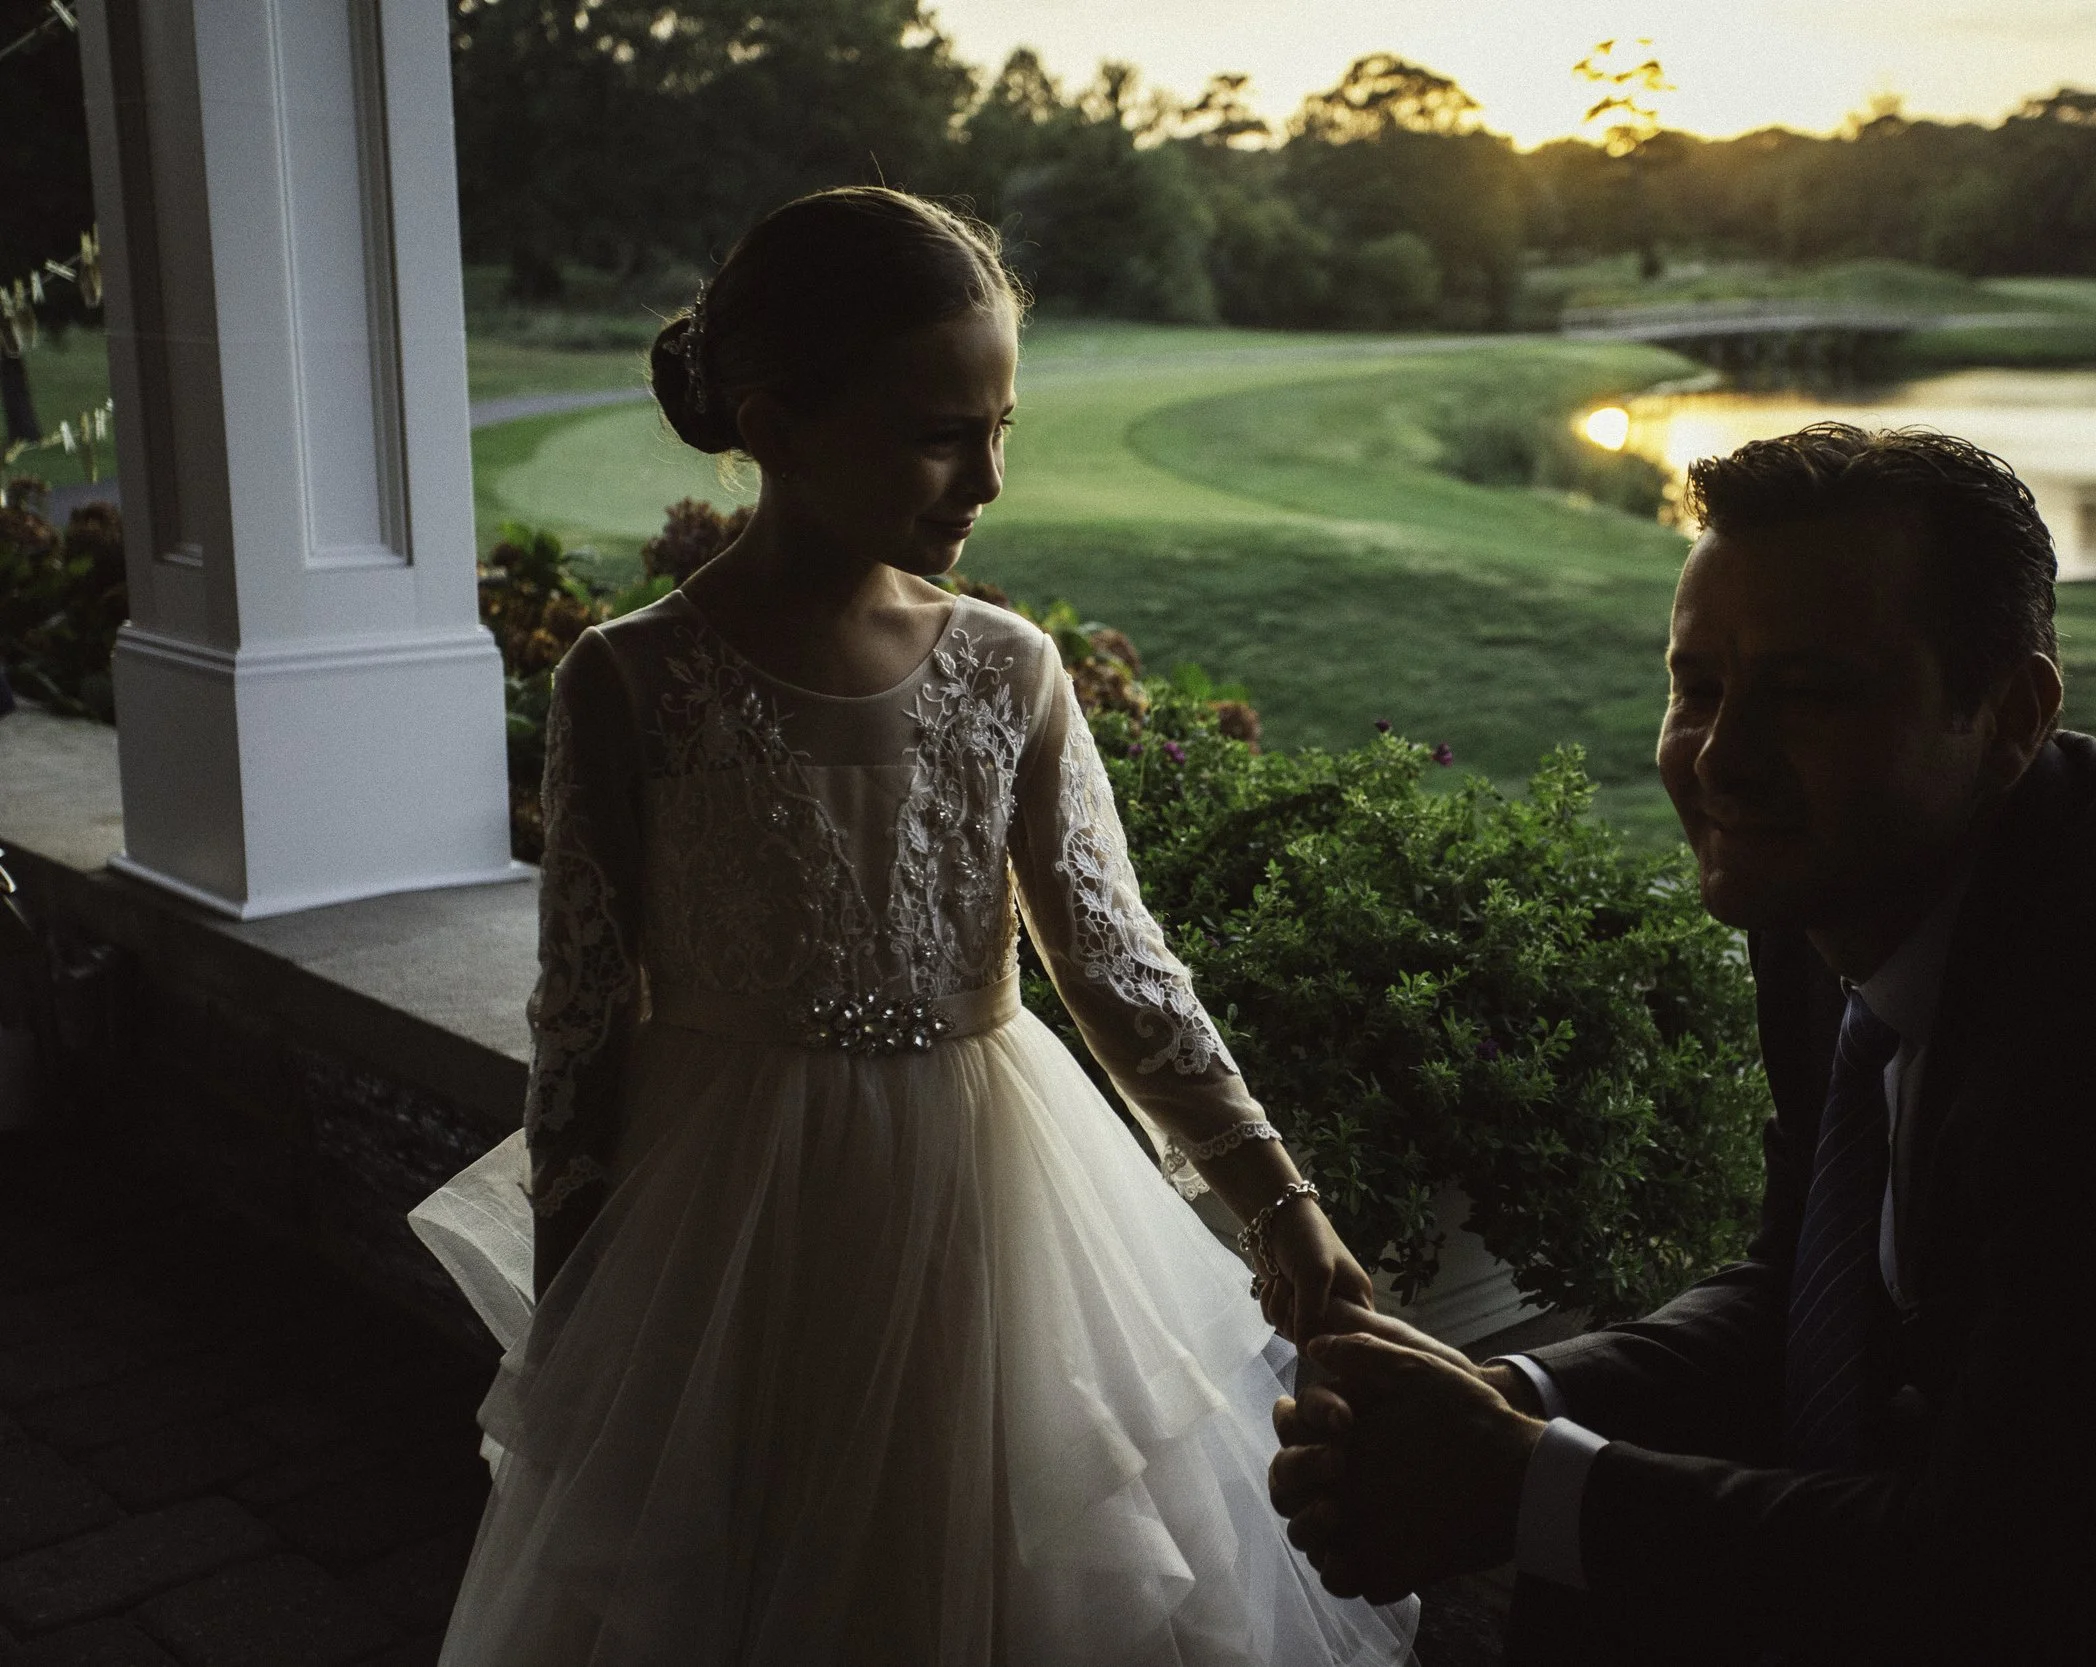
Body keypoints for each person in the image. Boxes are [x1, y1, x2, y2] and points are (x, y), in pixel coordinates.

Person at [1267, 423, 2096, 1664]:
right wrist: (1516, 1400)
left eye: (1808, 693)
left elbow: (2024, 1572)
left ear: (2010, 712)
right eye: (1696, 685)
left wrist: (1519, 1484)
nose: (1721, 756)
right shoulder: (1841, 872)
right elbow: (1805, 1287)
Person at [408, 187, 1417, 1666]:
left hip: (992, 1204)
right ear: (780, 420)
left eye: (1004, 425)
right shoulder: (630, 684)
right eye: (944, 430)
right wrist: (583, 1310)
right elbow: (580, 1022)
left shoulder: (1008, 670)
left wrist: (1277, 1192)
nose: (989, 477)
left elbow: (1117, 963)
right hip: (725, 1225)